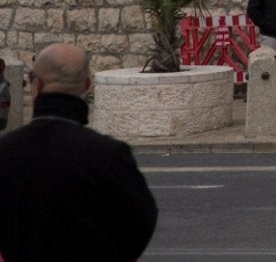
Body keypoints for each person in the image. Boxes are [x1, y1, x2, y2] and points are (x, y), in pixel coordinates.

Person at [0, 42, 159, 262]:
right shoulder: (108, 155)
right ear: (86, 86)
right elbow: (140, 220)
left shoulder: (6, 152)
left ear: (36, 86)